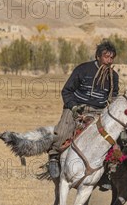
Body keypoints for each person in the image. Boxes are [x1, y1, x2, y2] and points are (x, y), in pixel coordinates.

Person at [47, 40, 119, 178]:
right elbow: (67, 91)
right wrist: (73, 107)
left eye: (111, 58)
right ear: (98, 56)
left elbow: (114, 96)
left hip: (98, 111)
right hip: (77, 107)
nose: (109, 61)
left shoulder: (113, 76)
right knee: (62, 132)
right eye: (106, 57)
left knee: (111, 138)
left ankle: (107, 172)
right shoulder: (83, 69)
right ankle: (54, 158)